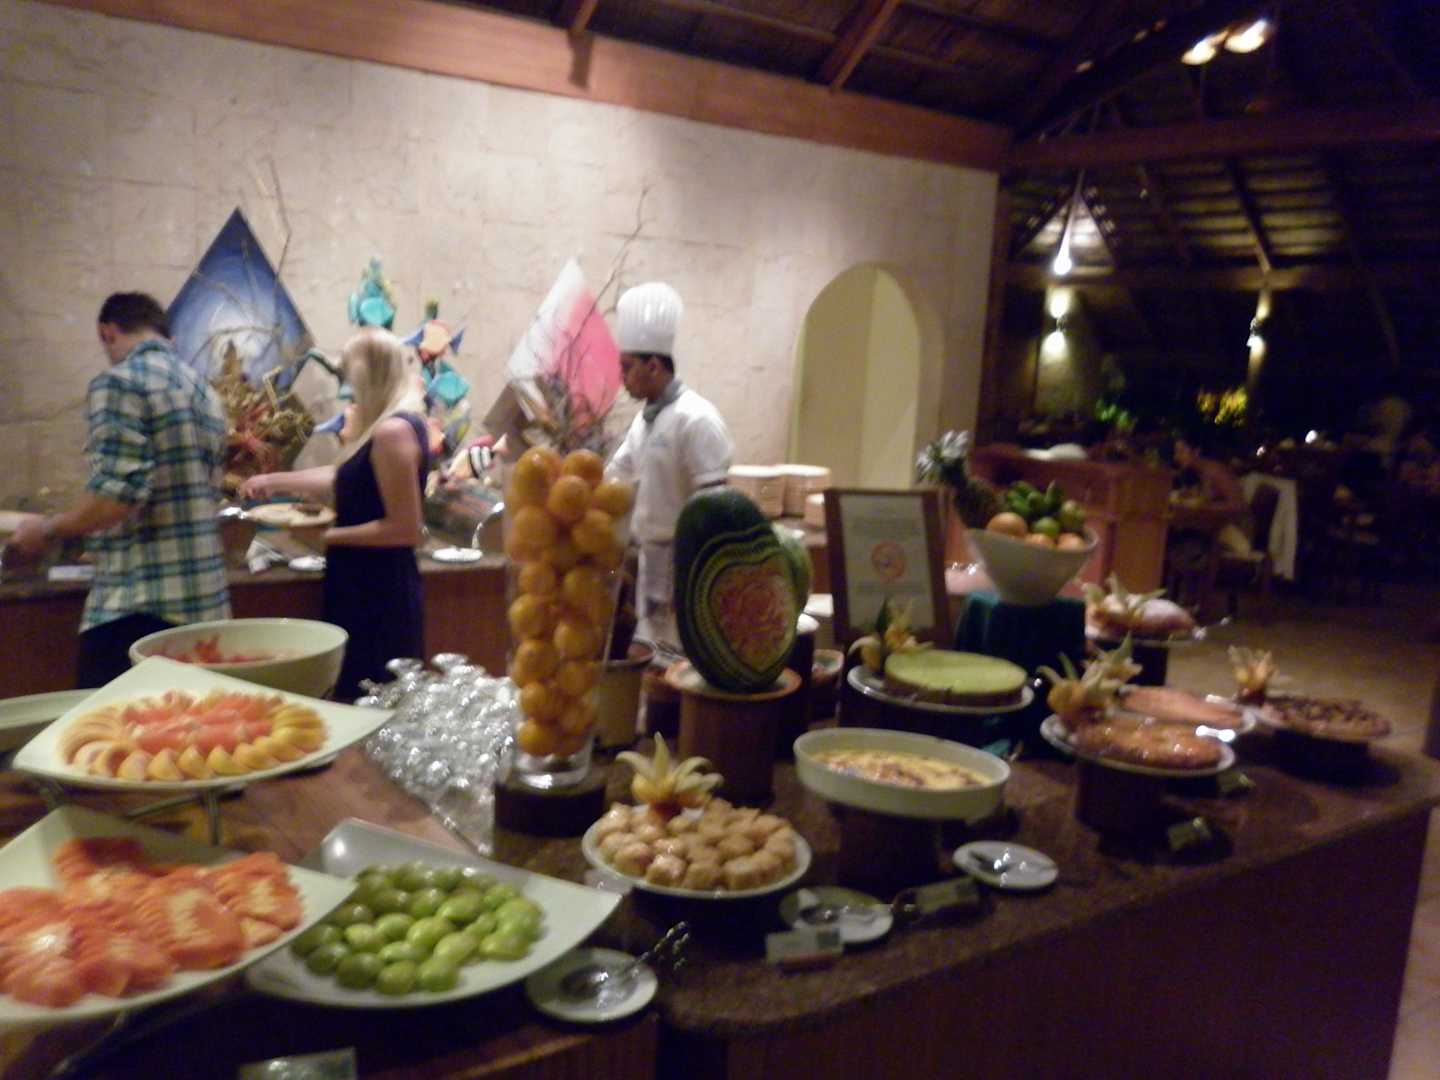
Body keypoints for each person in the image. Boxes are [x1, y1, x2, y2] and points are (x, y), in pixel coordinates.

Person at [9, 293, 230, 687]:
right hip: (204, 608)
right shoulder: (205, 393)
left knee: (103, 725)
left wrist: (46, 529)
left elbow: (118, 496)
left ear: (107, 332)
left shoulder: (121, 382)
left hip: (138, 608)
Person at [243, 328, 428, 700]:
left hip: (379, 592)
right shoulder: (390, 424)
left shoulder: (393, 431)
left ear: (368, 376)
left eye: (349, 378)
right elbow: (346, 476)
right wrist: (274, 481)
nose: (348, 389)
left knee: (372, 700)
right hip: (363, 583)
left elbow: (406, 528)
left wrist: (326, 536)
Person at [606, 282, 733, 647]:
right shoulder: (642, 422)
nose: (622, 378)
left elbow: (715, 510)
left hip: (686, 568)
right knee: (652, 652)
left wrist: (695, 575)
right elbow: (614, 476)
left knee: (683, 655)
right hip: (649, 564)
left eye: (627, 368)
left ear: (654, 365)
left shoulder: (697, 419)